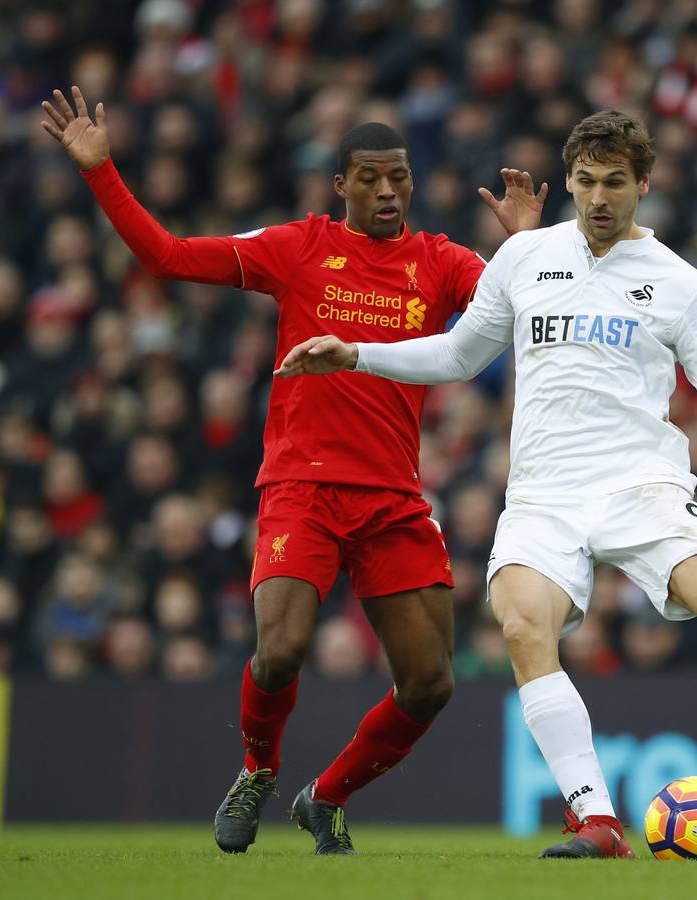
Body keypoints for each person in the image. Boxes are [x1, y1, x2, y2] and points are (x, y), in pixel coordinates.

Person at [278, 109, 697, 859]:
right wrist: (357, 353)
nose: (598, 197)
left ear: (643, 185)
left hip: (644, 488)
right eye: (586, 181)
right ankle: (596, 819)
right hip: (543, 495)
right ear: (569, 181)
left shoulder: (679, 284)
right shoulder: (525, 257)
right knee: (524, 626)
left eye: (615, 183)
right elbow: (460, 355)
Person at [40, 86, 546, 855]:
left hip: (393, 500)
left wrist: (526, 251)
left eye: (399, 178)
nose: (387, 192)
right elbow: (167, 256)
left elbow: (524, 316)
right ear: (340, 184)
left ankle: (328, 796)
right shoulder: (297, 247)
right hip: (302, 489)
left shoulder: (440, 263)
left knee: (432, 682)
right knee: (278, 652)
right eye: (370, 178)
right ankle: (258, 770)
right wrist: (102, 172)